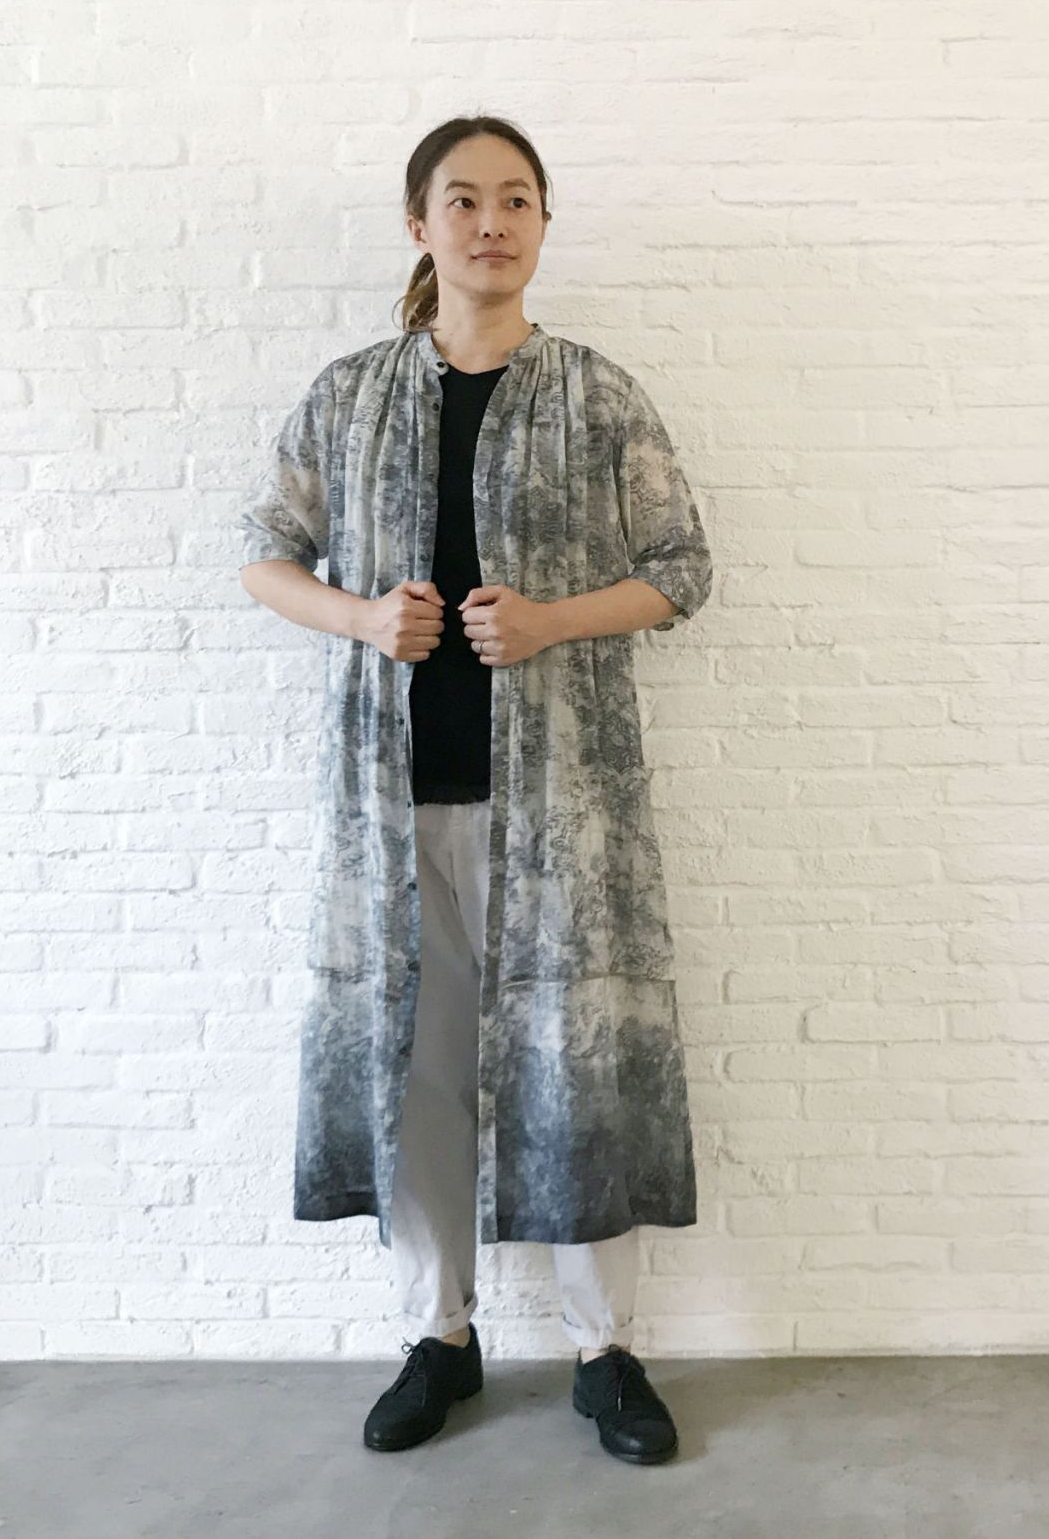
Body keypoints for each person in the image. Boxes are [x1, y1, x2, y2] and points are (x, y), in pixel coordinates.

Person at [237, 115, 713, 1464]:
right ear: (420, 225)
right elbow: (262, 552)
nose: (490, 223)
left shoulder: (596, 395)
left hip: (562, 809)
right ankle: (438, 1338)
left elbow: (683, 566)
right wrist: (357, 618)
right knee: (421, 1071)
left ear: (544, 225)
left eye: (516, 200)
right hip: (395, 807)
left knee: (577, 1068)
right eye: (463, 200)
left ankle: (606, 1355)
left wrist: (555, 620)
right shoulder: (349, 396)